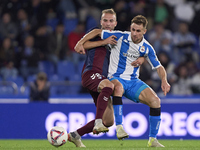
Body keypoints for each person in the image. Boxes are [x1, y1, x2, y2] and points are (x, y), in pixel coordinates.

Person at [75, 15, 171, 147]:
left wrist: (164, 81)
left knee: (155, 101)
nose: (135, 33)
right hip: (115, 78)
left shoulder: (146, 48)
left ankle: (152, 140)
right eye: (133, 29)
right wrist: (80, 42)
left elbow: (159, 67)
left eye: (138, 31)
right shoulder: (120, 36)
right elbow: (97, 31)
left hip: (133, 81)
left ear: (144, 32)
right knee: (118, 88)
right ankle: (119, 127)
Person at [68, 9, 144, 148]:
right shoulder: (97, 33)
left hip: (102, 79)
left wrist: (140, 58)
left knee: (108, 121)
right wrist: (103, 42)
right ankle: (97, 122)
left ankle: (75, 135)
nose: (108, 23)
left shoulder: (118, 39)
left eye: (110, 21)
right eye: (105, 20)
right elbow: (83, 46)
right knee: (109, 86)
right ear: (101, 22)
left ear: (115, 23)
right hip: (91, 73)